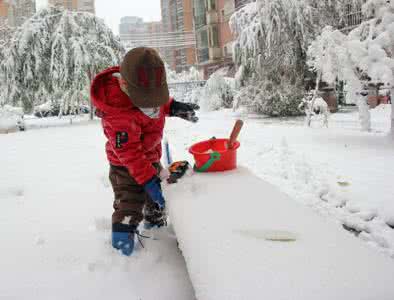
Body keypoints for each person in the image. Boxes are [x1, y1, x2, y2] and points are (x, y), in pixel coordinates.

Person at [90, 47, 199, 256]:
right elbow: (130, 154)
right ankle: (123, 252)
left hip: (150, 160)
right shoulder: (117, 114)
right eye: (146, 100)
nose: (153, 105)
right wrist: (148, 180)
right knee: (129, 204)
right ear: (123, 84)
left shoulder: (142, 90)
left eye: (155, 97)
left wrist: (173, 107)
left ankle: (157, 233)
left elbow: (156, 103)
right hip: (124, 167)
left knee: (156, 202)